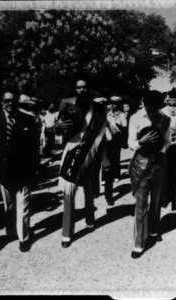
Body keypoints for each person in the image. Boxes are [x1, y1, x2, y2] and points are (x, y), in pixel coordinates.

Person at [0, 91, 40, 252]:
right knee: (8, 206)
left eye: (12, 101)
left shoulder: (28, 120)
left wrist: (35, 168)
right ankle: (11, 231)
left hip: (24, 171)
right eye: (6, 101)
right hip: (3, 171)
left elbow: (34, 148)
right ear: (2, 102)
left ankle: (24, 238)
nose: (10, 104)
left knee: (23, 205)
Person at [56, 79, 106, 248]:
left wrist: (100, 157)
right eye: (78, 87)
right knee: (68, 193)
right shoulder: (66, 104)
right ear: (75, 89)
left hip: (90, 153)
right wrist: (57, 126)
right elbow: (58, 129)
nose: (82, 89)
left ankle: (90, 219)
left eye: (85, 86)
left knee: (89, 190)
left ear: (89, 89)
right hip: (71, 151)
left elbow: (101, 134)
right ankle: (67, 233)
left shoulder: (98, 108)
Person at [128, 90, 170, 258]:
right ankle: (139, 242)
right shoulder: (136, 118)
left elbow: (168, 142)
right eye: (148, 107)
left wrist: (161, 148)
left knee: (157, 200)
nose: (150, 110)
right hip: (141, 164)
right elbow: (130, 143)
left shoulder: (166, 119)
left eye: (154, 107)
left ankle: (153, 229)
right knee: (140, 203)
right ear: (144, 104)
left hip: (159, 163)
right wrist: (141, 142)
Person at [161, 97, 176, 210]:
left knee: (174, 173)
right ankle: (164, 198)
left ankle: (173, 198)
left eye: (175, 105)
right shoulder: (162, 113)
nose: (173, 108)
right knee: (164, 173)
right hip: (164, 147)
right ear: (167, 104)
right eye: (171, 105)